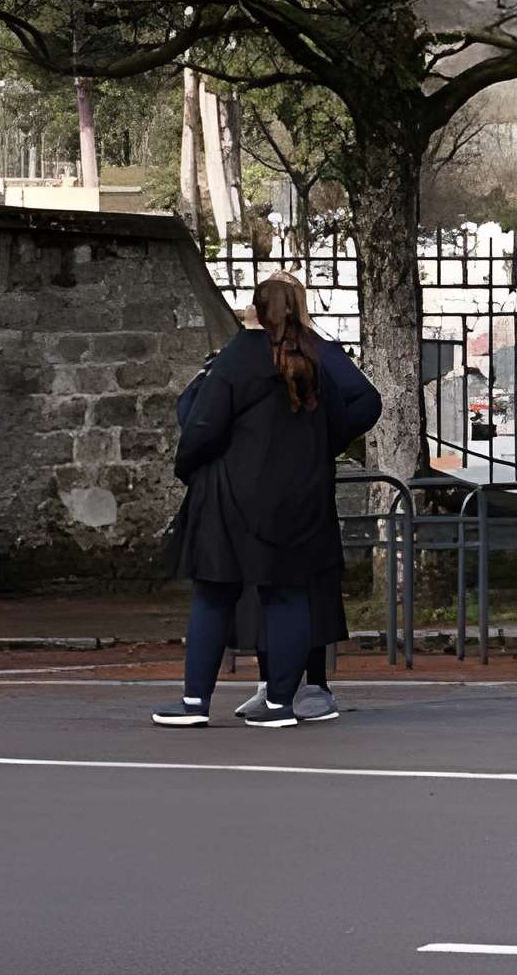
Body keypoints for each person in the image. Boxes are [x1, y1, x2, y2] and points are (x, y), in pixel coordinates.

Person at [155, 275, 383, 729]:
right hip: (302, 497)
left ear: (257, 311)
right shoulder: (318, 358)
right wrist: (313, 453)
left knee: (214, 595)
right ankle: (282, 702)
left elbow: (202, 423)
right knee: (290, 594)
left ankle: (195, 703)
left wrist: (188, 468)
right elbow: (342, 417)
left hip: (233, 497)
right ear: (300, 307)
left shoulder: (237, 357)